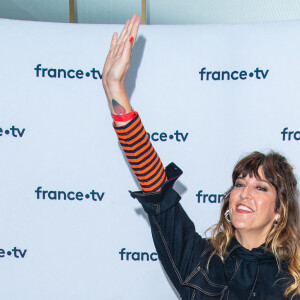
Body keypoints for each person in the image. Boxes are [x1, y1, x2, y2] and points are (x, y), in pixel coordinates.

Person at [102, 14, 300, 299]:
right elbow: (158, 192)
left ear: (279, 210)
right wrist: (115, 88)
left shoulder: (293, 280)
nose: (244, 193)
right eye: (240, 184)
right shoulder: (200, 262)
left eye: (261, 187)